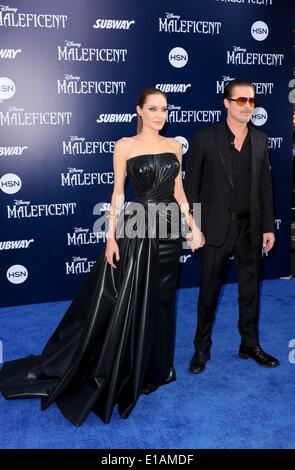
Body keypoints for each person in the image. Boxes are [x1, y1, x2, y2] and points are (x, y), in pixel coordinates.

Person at [0, 88, 204, 425]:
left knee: (163, 298)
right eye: (153, 109)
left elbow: (179, 192)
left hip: (168, 227)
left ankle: (157, 367)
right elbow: (119, 193)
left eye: (164, 109)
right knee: (134, 296)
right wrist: (111, 237)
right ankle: (130, 364)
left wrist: (193, 227)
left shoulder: (175, 146)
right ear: (139, 110)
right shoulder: (124, 145)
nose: (160, 115)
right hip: (138, 226)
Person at [184, 78, 279, 374]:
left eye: (252, 101)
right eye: (241, 100)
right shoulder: (204, 139)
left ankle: (249, 344)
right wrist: (193, 228)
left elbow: (265, 188)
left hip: (249, 227)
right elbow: (192, 188)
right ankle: (201, 349)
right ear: (226, 103)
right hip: (214, 228)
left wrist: (268, 227)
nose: (248, 106)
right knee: (208, 291)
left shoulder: (261, 141)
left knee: (250, 290)